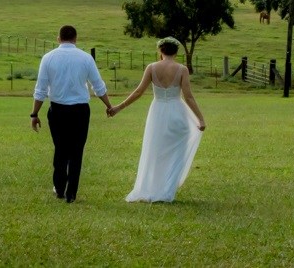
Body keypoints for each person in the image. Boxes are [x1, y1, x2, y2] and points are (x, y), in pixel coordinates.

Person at [108, 36, 206, 203]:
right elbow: (188, 97)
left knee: (155, 150)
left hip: (157, 112)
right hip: (177, 112)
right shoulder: (182, 69)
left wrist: (119, 107)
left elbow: (138, 92)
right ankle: (167, 189)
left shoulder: (152, 67)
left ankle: (154, 186)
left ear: (160, 51)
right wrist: (200, 119)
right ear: (176, 52)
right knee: (176, 151)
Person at [30, 25, 112, 203]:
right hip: (80, 111)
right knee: (76, 151)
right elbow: (97, 85)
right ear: (76, 39)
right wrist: (108, 105)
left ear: (58, 38)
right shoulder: (86, 58)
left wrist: (34, 114)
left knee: (60, 149)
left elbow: (41, 89)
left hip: (58, 109)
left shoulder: (48, 58)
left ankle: (59, 187)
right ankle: (71, 193)